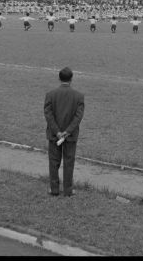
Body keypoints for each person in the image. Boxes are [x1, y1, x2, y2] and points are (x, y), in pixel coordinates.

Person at [44, 67, 85, 197]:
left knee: (53, 162)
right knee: (69, 162)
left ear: (59, 78)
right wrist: (67, 132)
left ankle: (54, 189)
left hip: (54, 135)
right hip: (71, 136)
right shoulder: (79, 96)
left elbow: (48, 115)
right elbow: (78, 117)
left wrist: (57, 132)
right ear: (71, 79)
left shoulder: (50, 95)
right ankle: (68, 190)